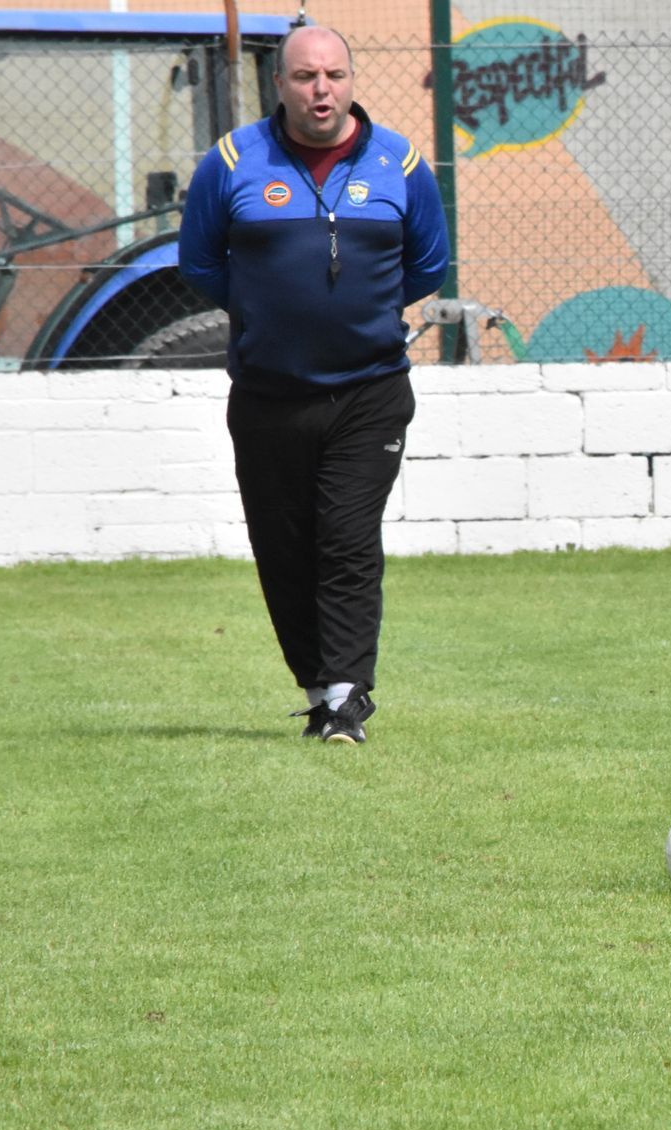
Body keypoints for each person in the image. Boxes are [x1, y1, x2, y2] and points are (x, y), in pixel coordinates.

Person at [178, 24, 449, 744]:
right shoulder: (231, 162)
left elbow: (427, 264)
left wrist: (357, 313)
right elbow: (200, 263)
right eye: (304, 77)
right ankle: (318, 689)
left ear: (351, 81)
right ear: (280, 85)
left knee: (347, 539)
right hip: (267, 396)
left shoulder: (402, 163)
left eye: (333, 75)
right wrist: (267, 310)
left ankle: (347, 697)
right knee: (284, 547)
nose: (320, 89)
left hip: (370, 392)